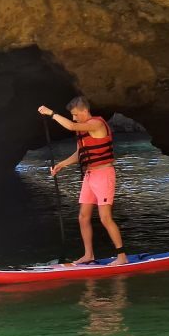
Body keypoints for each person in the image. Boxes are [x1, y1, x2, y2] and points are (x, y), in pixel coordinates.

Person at [38, 96, 128, 266]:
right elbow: (80, 154)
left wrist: (51, 114)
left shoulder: (96, 124)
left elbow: (71, 126)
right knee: (83, 217)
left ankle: (121, 256)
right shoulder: (82, 130)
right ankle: (89, 255)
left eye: (75, 114)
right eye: (72, 115)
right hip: (90, 176)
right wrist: (61, 165)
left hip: (103, 175)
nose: (74, 118)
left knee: (105, 218)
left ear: (85, 111)